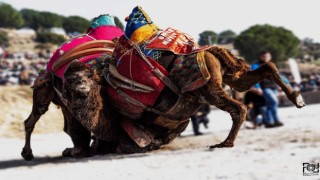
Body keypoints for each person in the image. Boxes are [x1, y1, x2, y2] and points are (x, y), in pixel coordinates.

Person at [251, 51, 284, 128]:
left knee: (270, 104)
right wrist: (258, 87)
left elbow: (279, 76)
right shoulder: (255, 66)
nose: (266, 58)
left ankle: (269, 122)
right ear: (261, 57)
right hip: (264, 88)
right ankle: (275, 120)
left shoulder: (272, 65)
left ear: (270, 57)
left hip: (274, 87)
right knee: (274, 102)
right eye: (264, 56)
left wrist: (283, 85)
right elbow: (255, 78)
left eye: (268, 56)